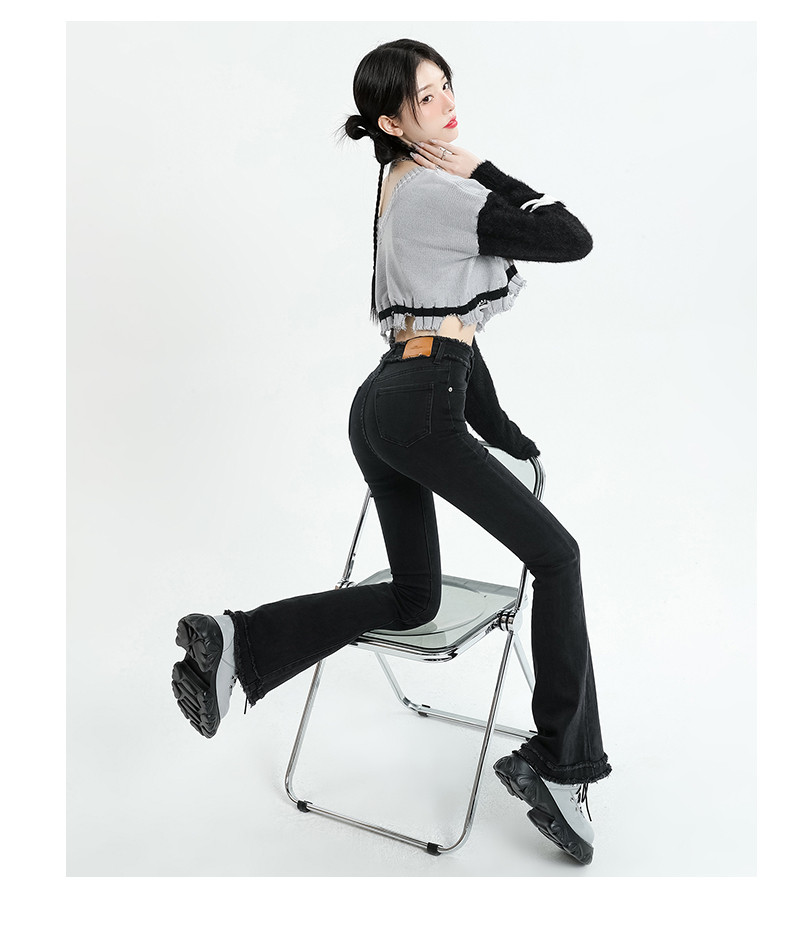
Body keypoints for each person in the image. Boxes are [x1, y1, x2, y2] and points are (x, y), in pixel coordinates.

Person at [171, 38, 612, 866]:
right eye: (427, 96)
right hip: (418, 410)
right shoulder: (443, 190)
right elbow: (570, 236)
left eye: (448, 87)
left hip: (384, 404)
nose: (447, 104)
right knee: (558, 557)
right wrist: (485, 168)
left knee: (414, 598)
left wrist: (509, 439)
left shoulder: (398, 190)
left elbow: (447, 333)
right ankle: (560, 764)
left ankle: (240, 640)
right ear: (392, 122)